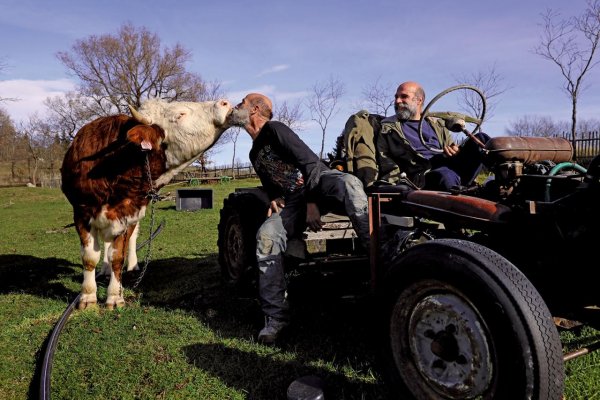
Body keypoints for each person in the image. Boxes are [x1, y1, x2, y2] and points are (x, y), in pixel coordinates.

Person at [228, 93, 371, 344]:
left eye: (241, 103)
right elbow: (271, 182)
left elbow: (310, 163)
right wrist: (273, 197)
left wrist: (312, 203)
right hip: (294, 200)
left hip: (320, 184)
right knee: (266, 236)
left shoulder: (275, 129)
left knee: (349, 183)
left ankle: (376, 256)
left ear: (255, 110)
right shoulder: (253, 153)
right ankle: (275, 318)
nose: (236, 105)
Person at [376, 81, 490, 191]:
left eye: (404, 96)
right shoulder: (387, 128)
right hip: (422, 175)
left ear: (419, 100)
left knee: (482, 139)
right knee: (446, 175)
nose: (397, 101)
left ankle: (504, 177)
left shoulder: (437, 124)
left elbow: (451, 148)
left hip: (447, 165)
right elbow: (385, 160)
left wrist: (454, 152)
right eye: (396, 97)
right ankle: (459, 198)